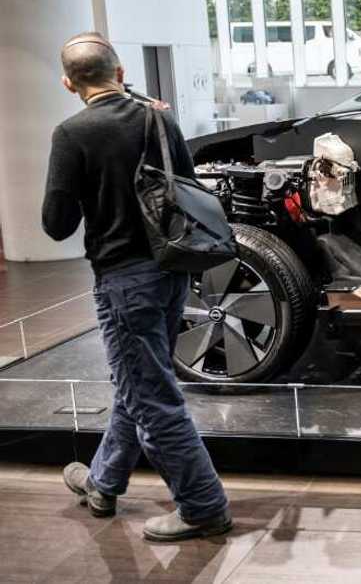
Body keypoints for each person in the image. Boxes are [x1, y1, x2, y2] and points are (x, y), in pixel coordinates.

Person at [42, 32, 232, 543]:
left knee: (151, 396)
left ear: (68, 83)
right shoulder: (158, 116)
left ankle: (203, 505)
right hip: (171, 268)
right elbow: (187, 185)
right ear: (121, 72)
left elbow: (55, 224)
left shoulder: (71, 133)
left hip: (123, 281)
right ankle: (103, 483)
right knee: (138, 381)